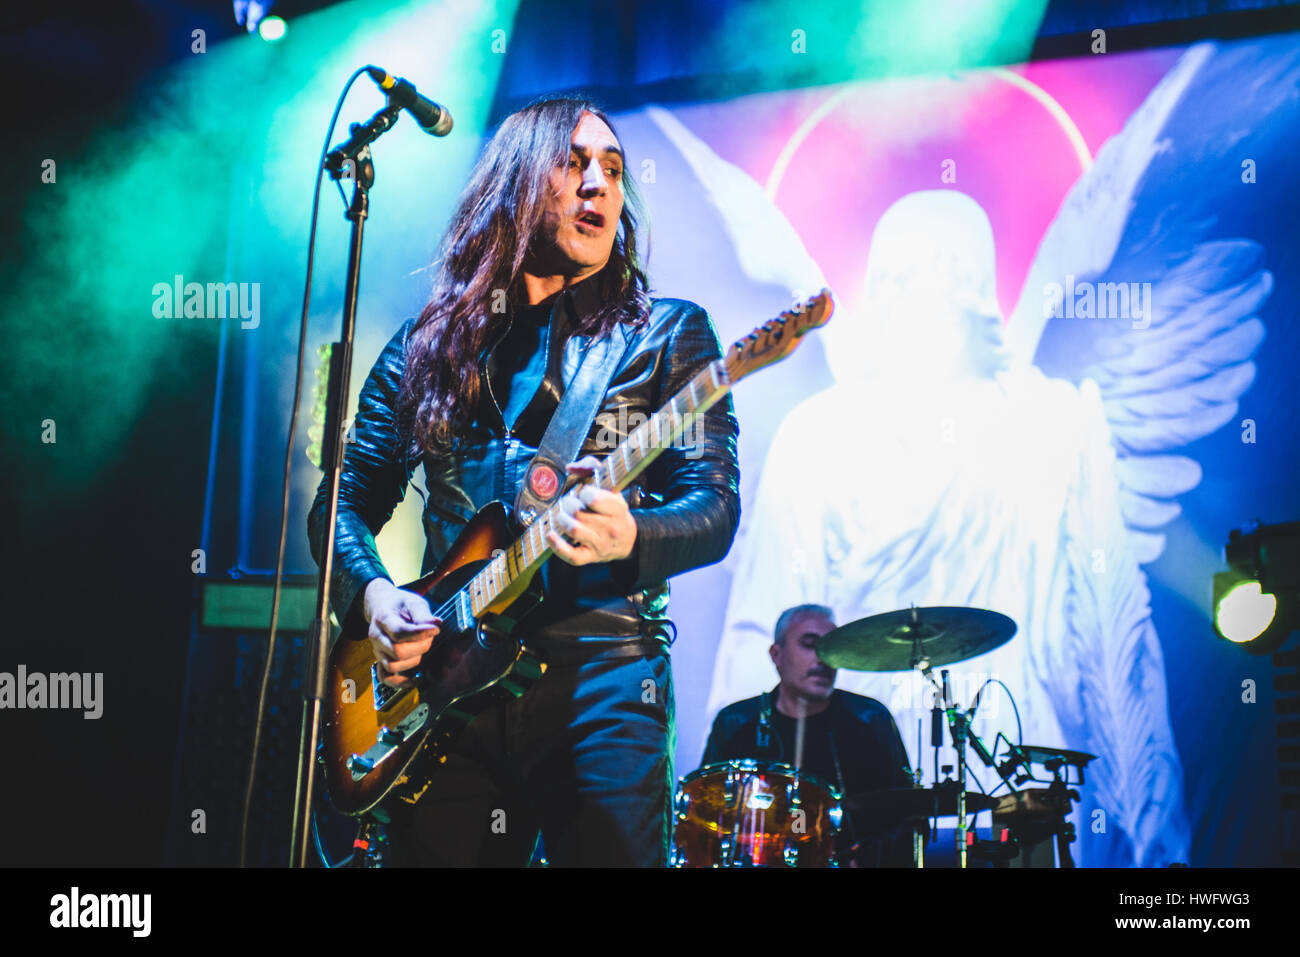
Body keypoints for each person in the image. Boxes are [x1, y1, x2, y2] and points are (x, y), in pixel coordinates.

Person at [307, 96, 741, 866]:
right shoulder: (426, 350)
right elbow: (340, 503)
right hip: (446, 692)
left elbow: (715, 506)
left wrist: (633, 531)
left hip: (604, 683)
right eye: (574, 164)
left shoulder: (667, 335)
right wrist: (376, 597)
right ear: (514, 183)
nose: (599, 185)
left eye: (612, 169)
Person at [700, 604, 914, 866]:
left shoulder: (871, 719)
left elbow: (907, 815)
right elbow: (705, 815)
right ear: (776, 654)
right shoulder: (736, 723)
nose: (823, 659)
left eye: (830, 648)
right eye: (810, 644)